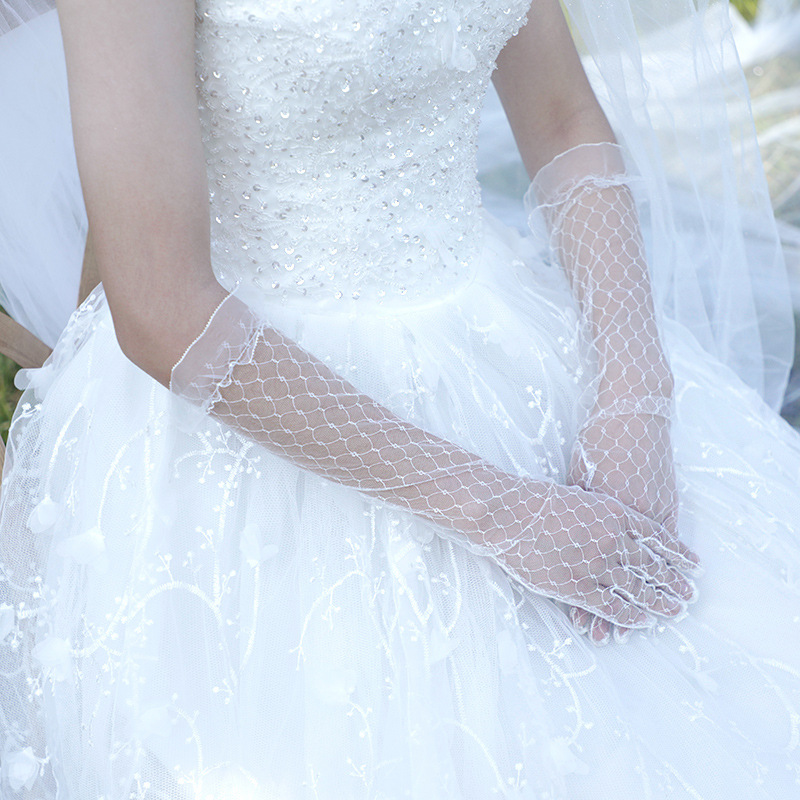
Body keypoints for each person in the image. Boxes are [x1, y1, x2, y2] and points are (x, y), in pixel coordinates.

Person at [0, 0, 798, 797]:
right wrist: (507, 514)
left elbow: (563, 118)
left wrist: (633, 393)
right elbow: (161, 310)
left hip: (503, 336)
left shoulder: (619, 388)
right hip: (254, 421)